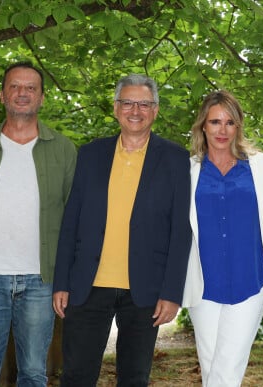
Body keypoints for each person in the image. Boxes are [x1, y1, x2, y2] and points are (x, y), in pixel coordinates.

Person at [52, 74, 191, 386]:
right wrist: (62, 282)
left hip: (145, 290)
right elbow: (70, 220)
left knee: (134, 378)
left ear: (155, 111)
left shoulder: (176, 159)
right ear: (115, 108)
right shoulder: (89, 154)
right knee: (76, 376)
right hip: (88, 284)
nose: (135, 110)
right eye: (127, 102)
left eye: (144, 103)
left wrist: (171, 293)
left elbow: (181, 230)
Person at [0, 61, 77, 386]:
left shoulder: (64, 150)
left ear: (42, 97)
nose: (22, 93)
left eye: (30, 88)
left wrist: (66, 279)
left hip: (42, 281)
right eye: (15, 86)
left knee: (34, 373)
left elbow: (74, 220)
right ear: (1, 95)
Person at [182, 90, 263, 386]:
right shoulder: (186, 171)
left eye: (229, 122)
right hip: (203, 285)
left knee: (226, 368)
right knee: (211, 366)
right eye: (214, 122)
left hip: (249, 280)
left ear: (238, 126)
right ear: (203, 126)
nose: (222, 130)